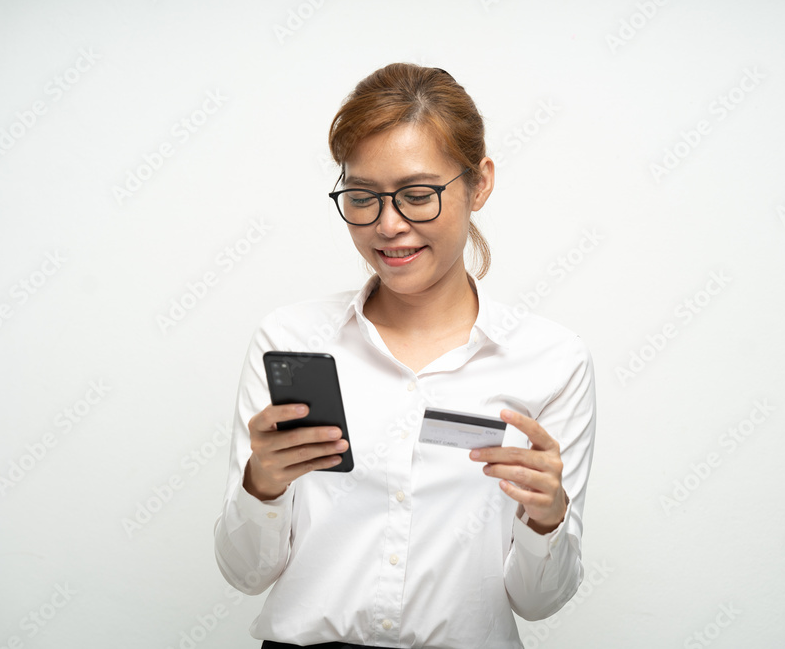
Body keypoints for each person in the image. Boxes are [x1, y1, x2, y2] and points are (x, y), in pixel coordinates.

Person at [214, 63, 596, 649]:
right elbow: (246, 574)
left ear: (480, 183)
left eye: (418, 195)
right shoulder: (290, 340)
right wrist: (260, 485)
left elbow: (538, 602)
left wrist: (548, 517)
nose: (388, 225)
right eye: (363, 197)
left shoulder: (550, 360)